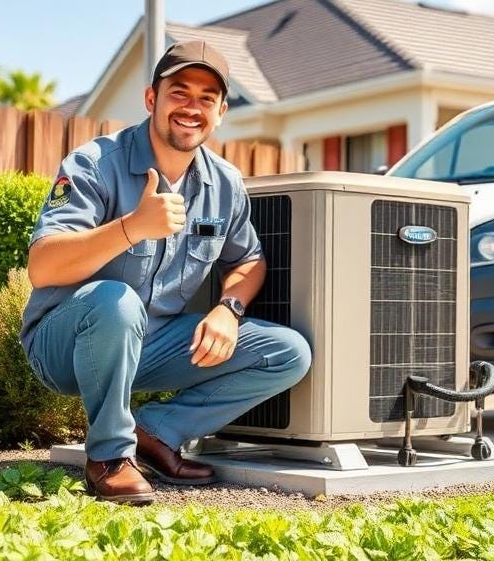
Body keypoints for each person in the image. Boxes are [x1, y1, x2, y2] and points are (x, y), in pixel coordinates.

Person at [20, 40, 311, 505]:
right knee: (117, 301)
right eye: (179, 92)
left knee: (289, 352)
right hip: (67, 344)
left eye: (206, 98)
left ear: (219, 114)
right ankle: (110, 458)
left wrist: (229, 309)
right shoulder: (95, 164)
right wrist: (133, 227)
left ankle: (154, 431)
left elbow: (248, 260)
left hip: (153, 346)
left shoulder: (226, 184)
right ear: (152, 98)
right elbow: (43, 265)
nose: (191, 107)